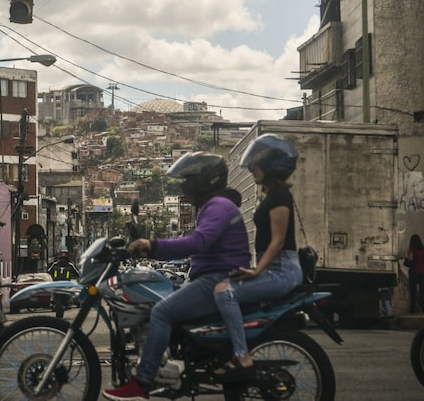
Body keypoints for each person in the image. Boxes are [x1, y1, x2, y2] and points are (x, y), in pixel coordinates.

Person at [103, 152, 250, 401]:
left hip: (217, 279)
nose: (184, 186)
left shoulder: (217, 207)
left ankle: (143, 381)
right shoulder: (214, 206)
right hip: (212, 276)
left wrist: (152, 245)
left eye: (188, 180)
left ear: (204, 182)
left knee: (161, 312)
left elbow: (197, 242)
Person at [211, 133, 303, 378]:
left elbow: (278, 241)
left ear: (271, 167)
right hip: (274, 267)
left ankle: (241, 355)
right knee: (226, 285)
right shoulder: (270, 196)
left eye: (256, 165)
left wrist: (257, 271)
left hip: (283, 270)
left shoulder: (280, 197)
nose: (252, 169)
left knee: (224, 292)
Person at [47, 249, 80, 318]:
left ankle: (67, 301)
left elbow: (77, 274)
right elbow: (48, 272)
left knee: (70, 292)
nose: (63, 260)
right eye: (62, 258)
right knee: (52, 292)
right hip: (57, 284)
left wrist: (78, 279)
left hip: (65, 284)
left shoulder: (70, 265)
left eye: (64, 258)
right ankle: (53, 302)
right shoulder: (55, 264)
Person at [406, 234, 424, 313]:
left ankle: (412, 307)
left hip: (414, 272)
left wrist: (406, 256)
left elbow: (410, 259)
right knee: (423, 290)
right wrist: (422, 261)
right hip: (423, 272)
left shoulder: (411, 249)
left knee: (413, 290)